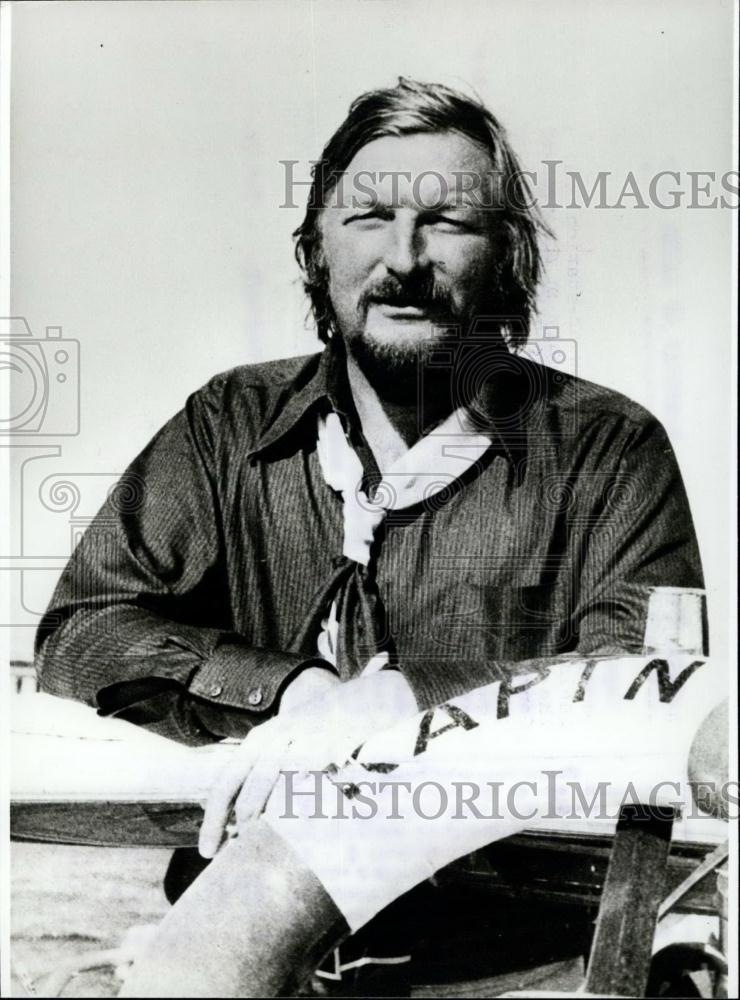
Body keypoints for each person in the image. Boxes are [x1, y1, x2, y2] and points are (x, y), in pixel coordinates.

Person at [35, 78, 705, 995]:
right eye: (370, 218)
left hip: (506, 972)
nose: (403, 259)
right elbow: (83, 628)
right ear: (315, 249)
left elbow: (640, 685)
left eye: (447, 223)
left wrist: (408, 703)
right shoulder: (226, 425)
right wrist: (293, 690)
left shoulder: (609, 449)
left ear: (507, 258)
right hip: (235, 955)